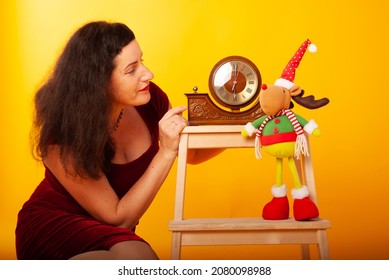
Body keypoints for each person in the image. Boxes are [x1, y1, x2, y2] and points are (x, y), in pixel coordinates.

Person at [15, 21, 222, 260]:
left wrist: (241, 125)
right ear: (98, 82)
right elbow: (119, 218)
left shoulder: (149, 98)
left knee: (139, 260)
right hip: (55, 229)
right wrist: (164, 152)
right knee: (139, 260)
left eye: (142, 61)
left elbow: (190, 153)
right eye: (131, 69)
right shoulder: (61, 134)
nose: (148, 74)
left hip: (112, 234)